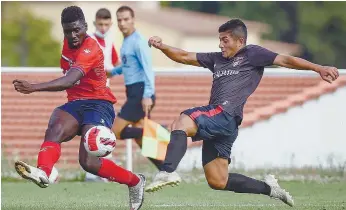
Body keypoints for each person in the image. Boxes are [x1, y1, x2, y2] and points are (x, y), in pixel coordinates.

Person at [145, 19, 339, 207]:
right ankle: (269, 188)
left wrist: (318, 68)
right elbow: (184, 56)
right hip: (225, 124)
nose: (220, 44)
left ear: (240, 41)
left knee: (182, 121)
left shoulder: (252, 53)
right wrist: (163, 47)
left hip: (224, 113)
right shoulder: (217, 58)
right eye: (219, 39)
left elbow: (286, 60)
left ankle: (167, 171)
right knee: (218, 181)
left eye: (225, 40)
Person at [13, 6, 145, 210]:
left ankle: (135, 182)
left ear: (85, 26)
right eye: (67, 31)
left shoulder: (90, 47)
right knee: (55, 127)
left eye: (77, 30)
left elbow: (69, 80)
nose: (73, 35)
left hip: (99, 104)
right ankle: (44, 171)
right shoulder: (67, 44)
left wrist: (33, 87)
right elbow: (71, 83)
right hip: (76, 103)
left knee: (89, 163)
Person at [108, 6, 162, 170]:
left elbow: (148, 70)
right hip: (133, 91)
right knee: (142, 140)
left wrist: (147, 95)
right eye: (119, 20)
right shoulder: (126, 41)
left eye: (126, 19)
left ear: (133, 20)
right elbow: (127, 65)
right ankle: (166, 169)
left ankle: (163, 132)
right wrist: (112, 72)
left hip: (140, 93)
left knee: (114, 132)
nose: (122, 23)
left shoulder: (139, 42)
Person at [85, 7, 120, 182]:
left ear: (110, 24)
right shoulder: (89, 40)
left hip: (104, 90)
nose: (104, 27)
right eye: (100, 24)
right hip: (90, 91)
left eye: (106, 24)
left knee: (103, 126)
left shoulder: (110, 41)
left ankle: (102, 166)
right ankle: (91, 170)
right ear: (95, 23)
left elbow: (115, 63)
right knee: (91, 126)